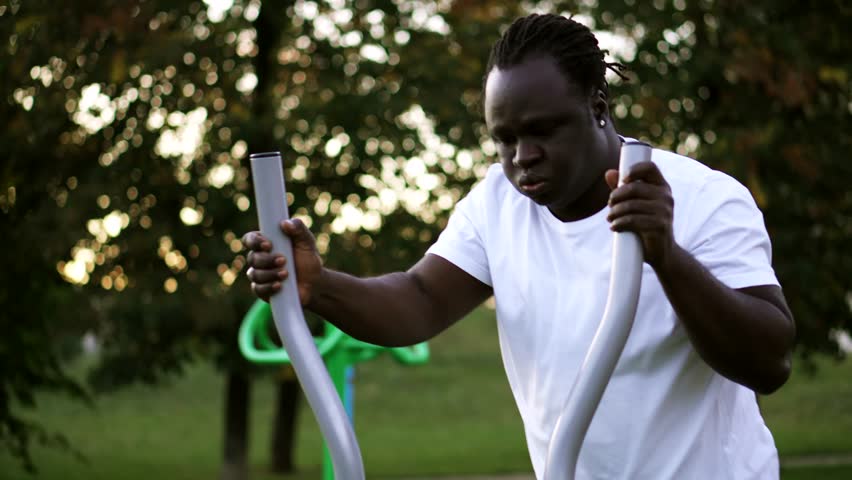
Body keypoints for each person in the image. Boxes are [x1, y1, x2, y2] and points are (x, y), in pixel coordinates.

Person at [242, 13, 795, 479]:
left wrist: (667, 256)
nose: (521, 157)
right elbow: (418, 300)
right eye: (503, 139)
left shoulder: (704, 198)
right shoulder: (496, 205)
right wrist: (319, 287)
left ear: (597, 107)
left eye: (542, 132)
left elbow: (769, 361)